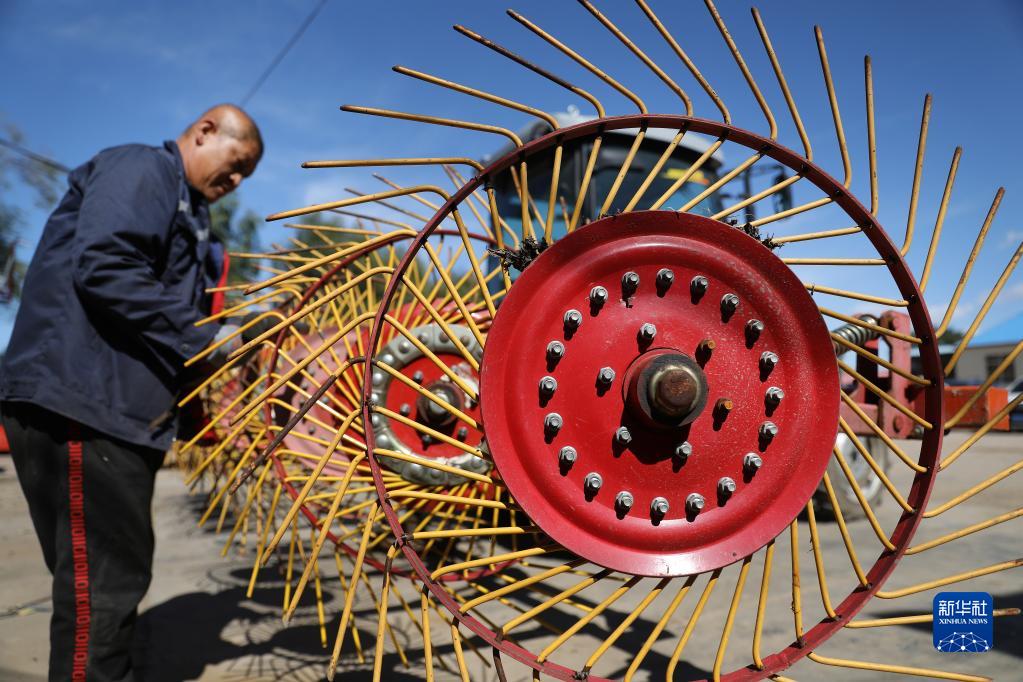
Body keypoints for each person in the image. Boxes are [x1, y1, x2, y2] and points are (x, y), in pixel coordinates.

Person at [0, 104, 263, 681]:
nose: (237, 180)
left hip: (114, 408)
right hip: (84, 398)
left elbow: (165, 322)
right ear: (205, 131)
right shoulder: (144, 169)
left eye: (246, 174)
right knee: (101, 588)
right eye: (237, 162)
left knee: (105, 579)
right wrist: (208, 337)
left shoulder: (191, 216)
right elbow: (106, 264)